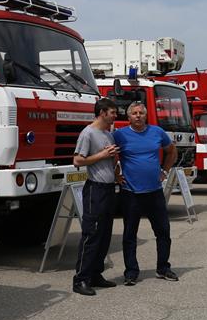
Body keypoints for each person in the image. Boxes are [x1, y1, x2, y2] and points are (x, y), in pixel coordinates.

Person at [113, 101, 179, 285]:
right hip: (130, 193)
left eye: (141, 113)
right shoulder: (119, 135)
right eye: (134, 113)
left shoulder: (157, 132)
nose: (138, 116)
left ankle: (163, 268)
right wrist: (116, 173)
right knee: (129, 235)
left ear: (146, 115)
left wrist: (164, 171)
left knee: (163, 232)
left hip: (154, 192)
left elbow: (171, 151)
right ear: (128, 117)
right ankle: (131, 272)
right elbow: (110, 154)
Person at [72, 98, 120, 296]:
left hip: (109, 189)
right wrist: (102, 155)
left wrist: (117, 172)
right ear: (102, 113)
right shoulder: (88, 133)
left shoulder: (108, 134)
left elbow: (110, 159)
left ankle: (95, 274)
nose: (115, 115)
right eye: (112, 112)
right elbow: (77, 160)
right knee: (92, 233)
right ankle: (81, 279)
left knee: (105, 233)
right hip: (95, 190)